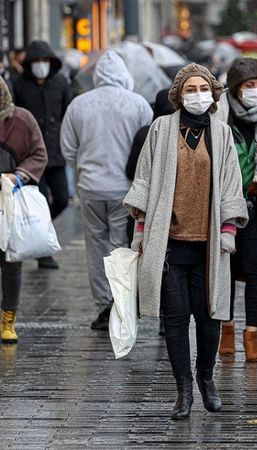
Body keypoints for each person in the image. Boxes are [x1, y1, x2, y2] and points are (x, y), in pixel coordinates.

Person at [124, 63, 248, 420]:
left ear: (213, 93)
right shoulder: (161, 130)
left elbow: (230, 183)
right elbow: (144, 180)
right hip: (171, 241)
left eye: (203, 88)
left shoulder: (221, 133)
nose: (197, 95)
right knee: (175, 319)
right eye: (190, 89)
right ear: (178, 95)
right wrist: (142, 233)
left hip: (209, 244)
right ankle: (183, 391)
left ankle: (206, 377)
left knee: (210, 317)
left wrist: (228, 229)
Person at [60, 50, 152, 330]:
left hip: (90, 188)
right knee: (121, 248)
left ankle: (103, 306)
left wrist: (83, 168)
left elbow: (68, 148)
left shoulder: (79, 104)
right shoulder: (138, 104)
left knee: (95, 248)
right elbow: (148, 146)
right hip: (125, 190)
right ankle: (120, 304)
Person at [212, 57, 257, 363]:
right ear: (234, 88)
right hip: (225, 204)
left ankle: (251, 333)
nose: (255, 91)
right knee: (225, 266)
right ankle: (226, 329)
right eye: (248, 86)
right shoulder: (219, 116)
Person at [13, 41, 72, 270]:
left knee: (61, 199)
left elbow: (68, 112)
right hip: (30, 156)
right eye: (36, 61)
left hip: (55, 152)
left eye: (44, 61)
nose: (40, 66)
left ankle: (41, 234)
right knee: (40, 202)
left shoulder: (60, 82)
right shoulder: (19, 85)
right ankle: (43, 251)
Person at [0, 77, 48, 344]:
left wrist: (19, 176)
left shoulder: (23, 120)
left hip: (12, 199)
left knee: (11, 259)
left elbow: (39, 154)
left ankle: (8, 317)